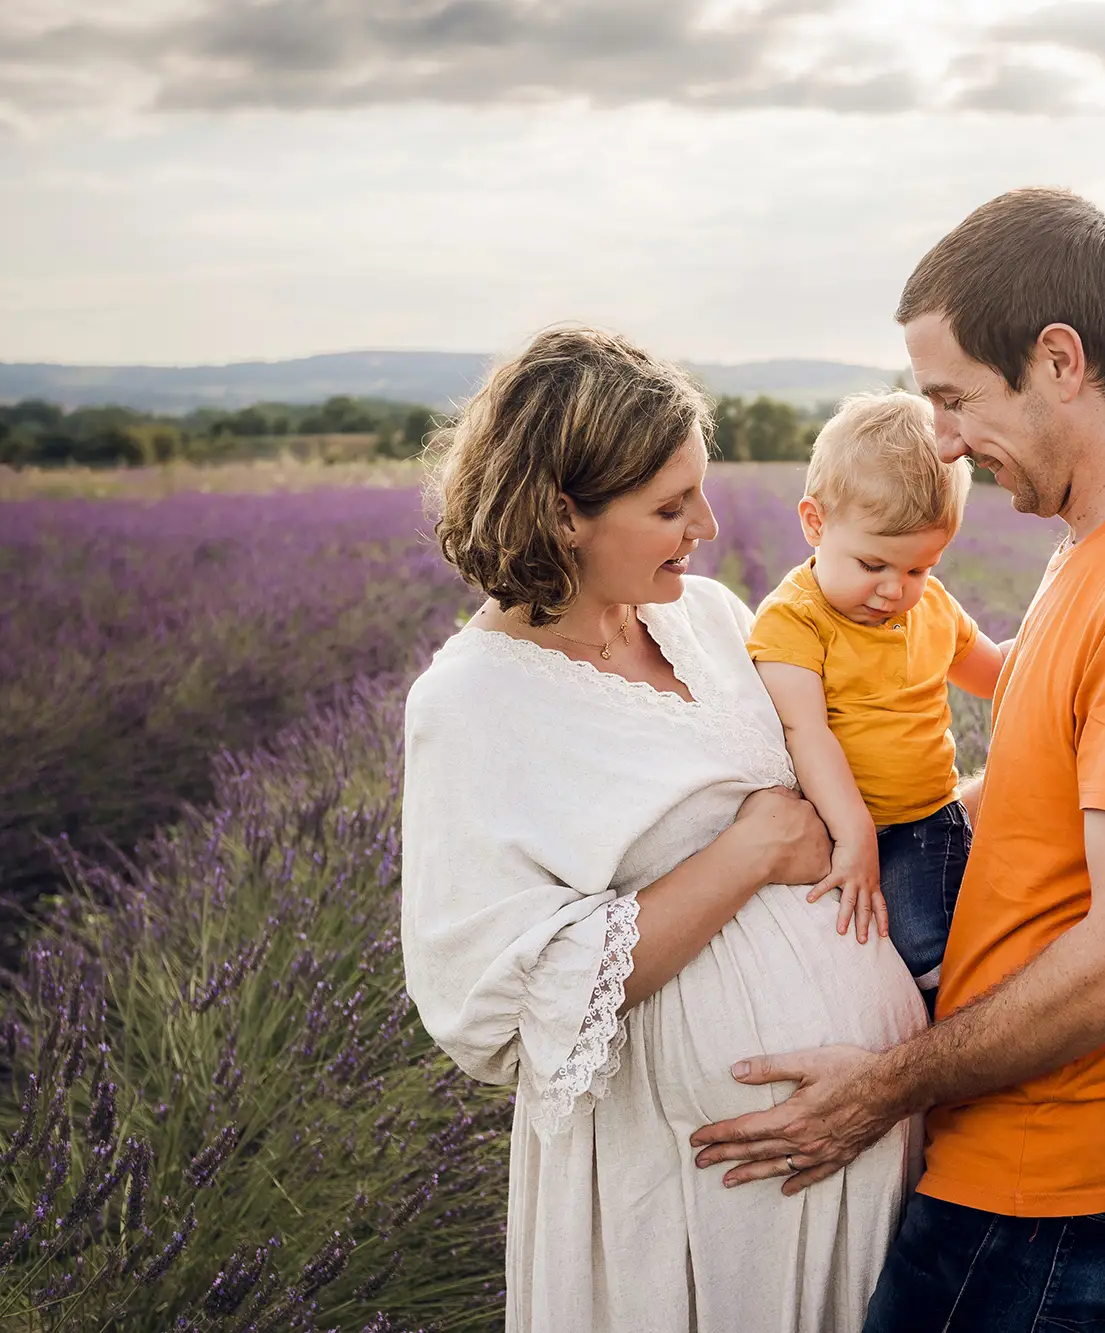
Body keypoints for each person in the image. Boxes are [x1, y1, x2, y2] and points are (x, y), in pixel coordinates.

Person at [690, 188, 1105, 1331]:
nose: (945, 439)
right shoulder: (1092, 550)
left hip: (1062, 1181)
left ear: (1057, 360)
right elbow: (1040, 801)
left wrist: (878, 1088)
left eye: (955, 397)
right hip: (1018, 1150)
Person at [399, 326, 926, 1333]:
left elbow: (842, 793)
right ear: (563, 515)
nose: (708, 524)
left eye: (700, 490)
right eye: (669, 505)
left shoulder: (715, 620)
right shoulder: (472, 701)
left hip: (862, 1141)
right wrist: (751, 850)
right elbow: (495, 1001)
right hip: (688, 1182)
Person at [746, 391, 1005, 998]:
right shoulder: (794, 619)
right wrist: (855, 832)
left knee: (928, 955)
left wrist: (1069, 643)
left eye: (919, 569)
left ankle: (967, 1052)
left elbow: (998, 673)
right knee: (845, 967)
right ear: (815, 523)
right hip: (832, 828)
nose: (896, 589)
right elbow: (804, 732)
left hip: (923, 823)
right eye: (873, 564)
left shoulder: (933, 608)